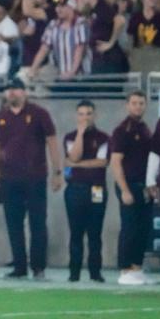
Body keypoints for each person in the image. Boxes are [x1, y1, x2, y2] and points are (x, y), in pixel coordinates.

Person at [0, 78, 63, 279]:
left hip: (35, 178)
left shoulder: (39, 114)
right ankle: (19, 266)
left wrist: (58, 172)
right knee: (14, 224)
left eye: (16, 89)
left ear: (25, 92)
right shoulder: (0, 118)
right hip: (9, 179)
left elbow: (52, 142)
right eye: (9, 90)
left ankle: (38, 266)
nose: (12, 93)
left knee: (38, 222)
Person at [63, 100, 110, 282]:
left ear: (94, 115)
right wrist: (81, 134)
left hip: (96, 189)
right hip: (75, 190)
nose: (85, 117)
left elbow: (101, 162)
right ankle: (74, 272)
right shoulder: (70, 137)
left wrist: (77, 164)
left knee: (95, 233)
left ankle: (95, 272)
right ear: (77, 116)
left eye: (88, 114)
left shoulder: (104, 138)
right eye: (81, 114)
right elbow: (73, 155)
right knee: (75, 233)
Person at [109, 92, 153, 286]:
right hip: (129, 185)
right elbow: (116, 162)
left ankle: (136, 267)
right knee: (129, 227)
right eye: (134, 103)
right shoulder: (122, 130)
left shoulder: (144, 129)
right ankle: (125, 269)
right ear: (127, 105)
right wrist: (124, 190)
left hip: (144, 187)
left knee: (142, 228)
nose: (138, 107)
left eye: (141, 103)